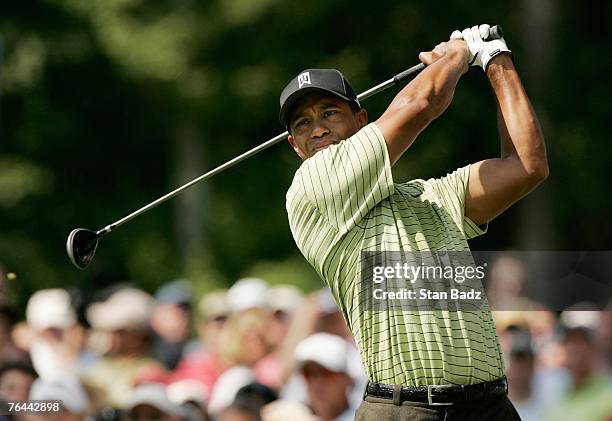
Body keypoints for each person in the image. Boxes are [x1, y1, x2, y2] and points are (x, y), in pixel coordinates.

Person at [280, 24, 548, 420]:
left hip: (490, 408)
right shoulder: (312, 186)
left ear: (361, 120)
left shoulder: (432, 195)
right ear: (294, 146)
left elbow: (527, 167)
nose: (317, 128)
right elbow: (419, 105)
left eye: (329, 113)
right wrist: (459, 52)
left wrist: (495, 60)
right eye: (302, 123)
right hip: (405, 409)